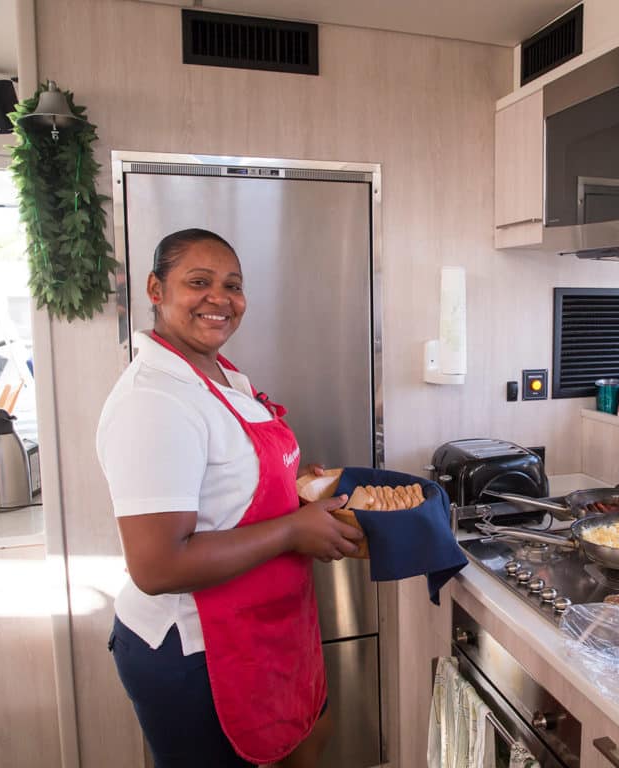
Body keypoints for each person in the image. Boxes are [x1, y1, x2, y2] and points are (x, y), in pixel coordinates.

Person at [96, 228, 363, 768]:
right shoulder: (154, 400)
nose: (220, 299)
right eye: (199, 282)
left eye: (232, 285)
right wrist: (292, 529)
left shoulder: (220, 377)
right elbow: (157, 564)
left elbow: (229, 487)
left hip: (272, 626)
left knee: (311, 739)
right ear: (155, 288)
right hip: (198, 648)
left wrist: (297, 491)